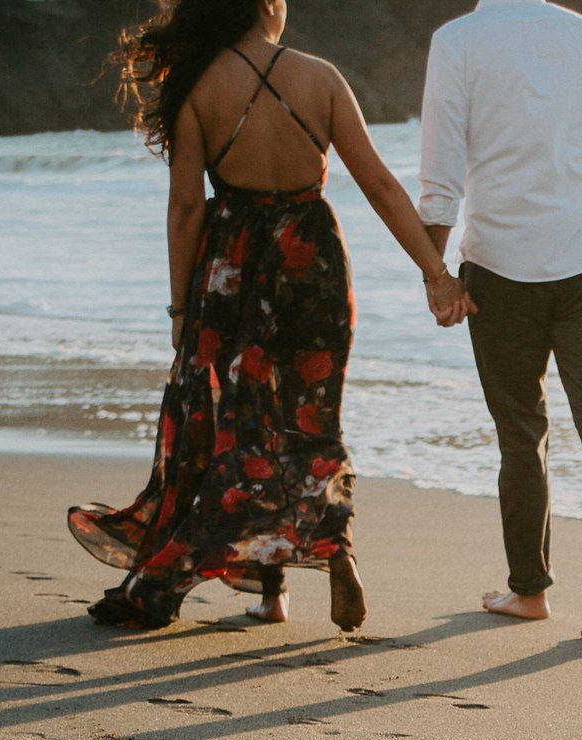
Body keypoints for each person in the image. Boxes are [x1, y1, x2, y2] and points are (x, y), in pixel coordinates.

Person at [70, 0, 472, 632]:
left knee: (240, 426)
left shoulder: (197, 86)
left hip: (233, 270)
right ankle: (325, 552)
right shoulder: (320, 77)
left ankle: (261, 587)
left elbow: (184, 208)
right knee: (309, 420)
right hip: (312, 262)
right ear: (266, 4)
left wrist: (181, 308)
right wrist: (437, 274)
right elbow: (380, 184)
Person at [418, 0, 582, 644]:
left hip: (500, 271)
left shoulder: (458, 41)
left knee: (521, 431)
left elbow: (440, 180)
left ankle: (529, 591)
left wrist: (434, 273)